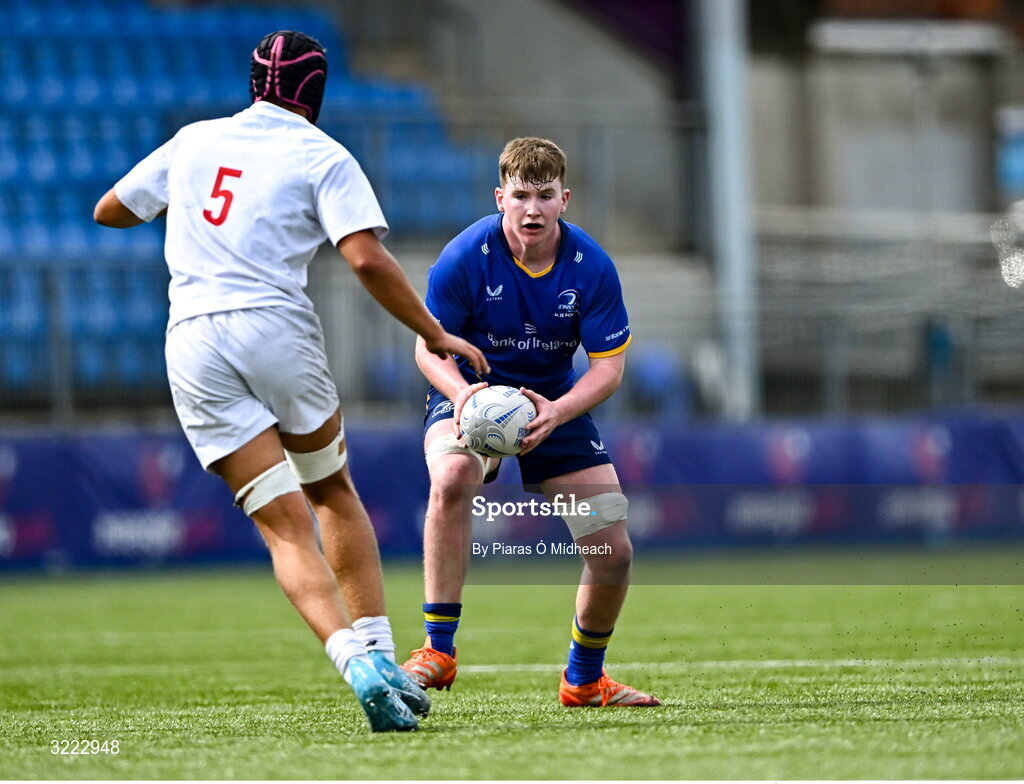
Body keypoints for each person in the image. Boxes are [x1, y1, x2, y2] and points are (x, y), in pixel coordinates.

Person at [93, 30, 489, 732]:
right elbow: (366, 260)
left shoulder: (193, 140)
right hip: (272, 329)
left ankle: (352, 663)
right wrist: (433, 332)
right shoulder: (321, 154)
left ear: (252, 83)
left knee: (282, 530)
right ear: (316, 93)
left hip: (192, 341)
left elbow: (110, 208)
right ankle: (382, 655)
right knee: (331, 490)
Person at [401, 137, 660, 707]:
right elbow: (428, 350)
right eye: (520, 195)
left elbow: (608, 369)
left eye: (545, 195)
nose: (533, 209)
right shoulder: (465, 255)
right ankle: (437, 650)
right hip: (469, 392)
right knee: (450, 478)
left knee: (613, 551)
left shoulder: (592, 267)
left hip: (553, 402)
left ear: (565, 199)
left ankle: (584, 678)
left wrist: (559, 411)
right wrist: (466, 397)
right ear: (500, 198)